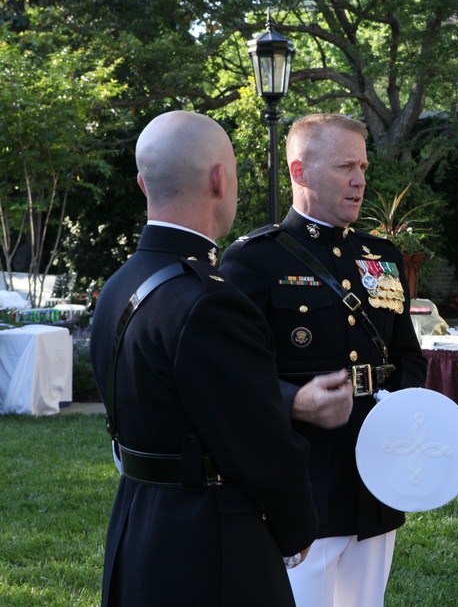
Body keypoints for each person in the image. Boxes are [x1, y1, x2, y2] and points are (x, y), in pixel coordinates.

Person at [89, 111, 353, 607]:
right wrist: (297, 528)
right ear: (219, 179)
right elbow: (261, 442)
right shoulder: (209, 300)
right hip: (209, 541)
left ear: (144, 184)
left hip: (136, 523)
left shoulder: (119, 285)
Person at [220, 113, 427, 607]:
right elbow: (230, 378)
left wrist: (406, 417)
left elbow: (406, 353)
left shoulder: (381, 256)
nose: (359, 180)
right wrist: (293, 400)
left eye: (362, 166)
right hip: (303, 482)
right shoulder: (254, 261)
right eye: (343, 167)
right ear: (299, 172)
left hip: (375, 479)